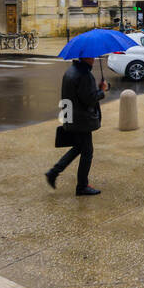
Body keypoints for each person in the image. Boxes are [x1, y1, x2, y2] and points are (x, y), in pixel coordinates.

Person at [45, 57, 109, 196]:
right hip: (82, 119)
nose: (93, 59)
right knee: (87, 152)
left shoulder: (71, 71)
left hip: (72, 115)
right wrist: (102, 91)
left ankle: (54, 172)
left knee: (80, 147)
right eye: (91, 56)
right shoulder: (84, 75)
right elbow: (89, 99)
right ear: (85, 58)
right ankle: (82, 186)